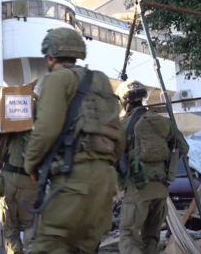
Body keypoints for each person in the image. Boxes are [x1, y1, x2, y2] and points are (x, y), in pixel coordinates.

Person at [23, 27, 125, 253]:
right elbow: (119, 136)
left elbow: (46, 130)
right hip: (106, 180)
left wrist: (30, 164)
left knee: (50, 246)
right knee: (85, 247)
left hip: (75, 178)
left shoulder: (56, 80)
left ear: (49, 57)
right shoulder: (101, 81)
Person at [115, 80, 189, 254]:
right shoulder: (162, 121)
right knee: (150, 239)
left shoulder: (122, 125)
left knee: (128, 237)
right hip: (161, 189)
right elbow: (184, 148)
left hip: (137, 189)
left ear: (125, 101)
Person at [0, 130, 35, 254]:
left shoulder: (7, 128)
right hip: (30, 180)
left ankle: (14, 250)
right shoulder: (37, 128)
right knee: (30, 223)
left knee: (9, 223)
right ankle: (31, 249)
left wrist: (1, 137)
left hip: (8, 180)